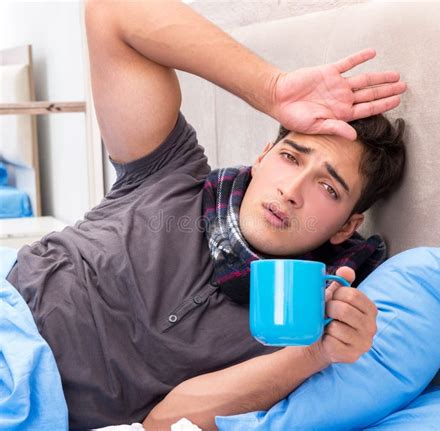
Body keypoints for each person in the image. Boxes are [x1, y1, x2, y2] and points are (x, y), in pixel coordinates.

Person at [4, 0, 407, 429]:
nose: (291, 192)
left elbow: (164, 421)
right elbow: (112, 11)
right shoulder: (169, 170)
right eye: (291, 157)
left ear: (347, 226)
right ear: (264, 155)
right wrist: (271, 89)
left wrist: (315, 352)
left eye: (328, 188)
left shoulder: (295, 324)